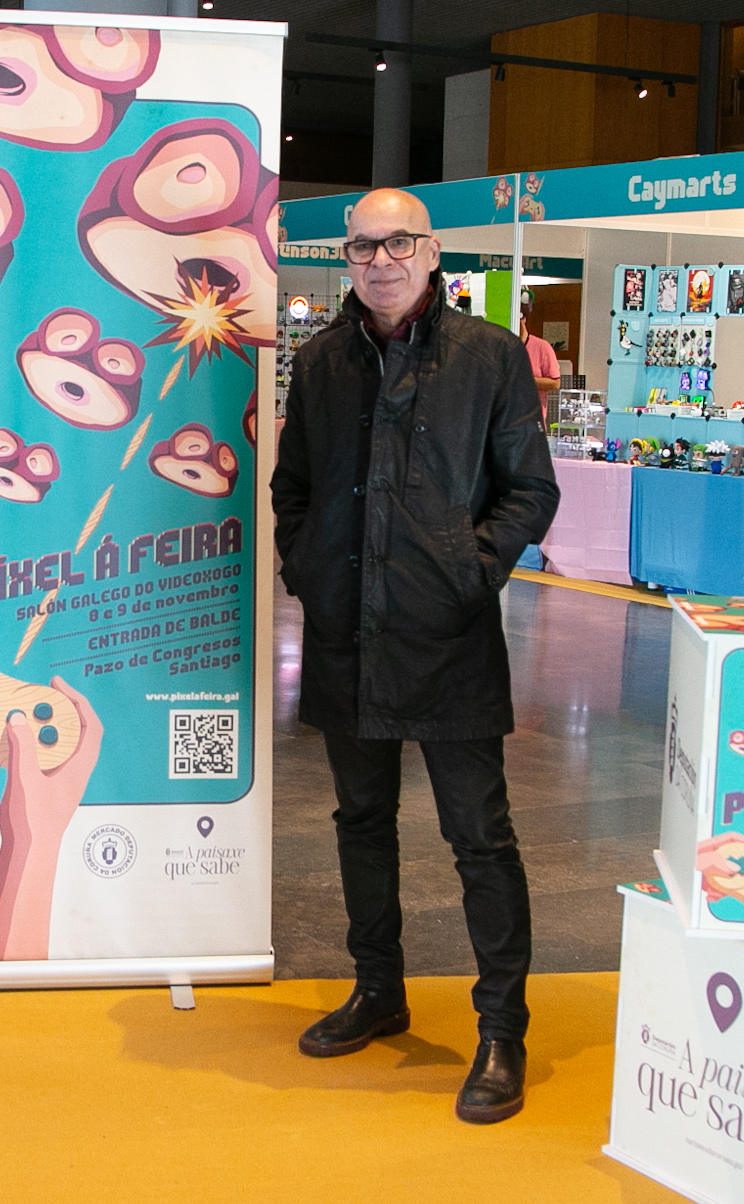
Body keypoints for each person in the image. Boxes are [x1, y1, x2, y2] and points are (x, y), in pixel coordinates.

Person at [270, 188, 560, 1125]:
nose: (381, 261)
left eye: (399, 243)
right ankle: (377, 988)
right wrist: (310, 568)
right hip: (346, 628)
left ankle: (503, 1030)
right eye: (363, 247)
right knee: (361, 818)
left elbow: (531, 490)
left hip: (449, 635)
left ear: (432, 254)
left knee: (480, 834)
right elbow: (292, 487)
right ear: (346, 260)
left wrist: (469, 572)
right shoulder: (321, 362)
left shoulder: (490, 356)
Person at [518, 289, 561, 396]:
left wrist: (525, 380)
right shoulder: (499, 346)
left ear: (524, 319)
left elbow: (555, 384)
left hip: (532, 407)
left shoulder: (542, 347)